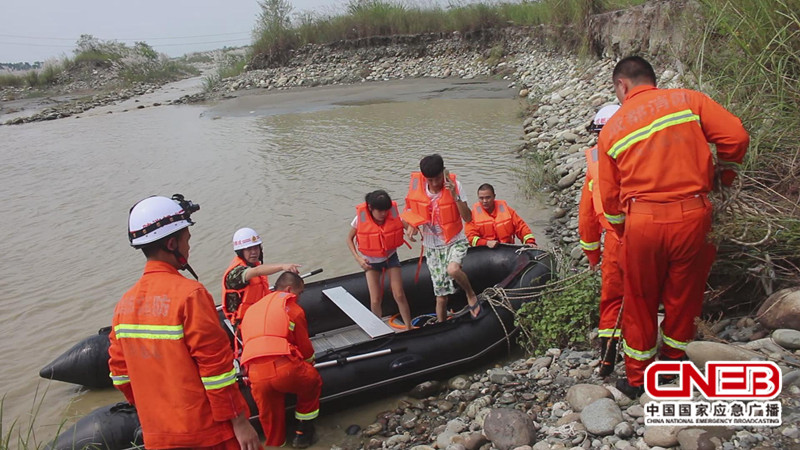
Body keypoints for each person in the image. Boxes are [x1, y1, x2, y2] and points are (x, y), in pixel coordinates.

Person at [596, 56, 749, 398]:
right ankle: (673, 366)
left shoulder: (612, 129)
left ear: (622, 85)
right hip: (694, 215)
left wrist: (622, 232)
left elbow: (609, 198)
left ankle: (637, 379)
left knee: (639, 300)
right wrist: (723, 175)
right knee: (684, 296)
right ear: (651, 79)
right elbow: (736, 137)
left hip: (643, 221)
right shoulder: (688, 100)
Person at [109, 194, 261, 450]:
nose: (189, 247)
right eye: (186, 240)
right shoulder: (190, 295)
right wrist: (240, 422)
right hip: (208, 433)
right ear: (172, 244)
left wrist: (153, 412)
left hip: (158, 435)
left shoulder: (124, 304)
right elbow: (217, 370)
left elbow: (120, 374)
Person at [240, 272, 322, 449]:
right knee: (312, 381)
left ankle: (277, 444)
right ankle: (303, 433)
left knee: (269, 414)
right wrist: (308, 363)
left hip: (255, 373)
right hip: (283, 369)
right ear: (290, 290)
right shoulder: (293, 309)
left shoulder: (252, 310)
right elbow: (305, 348)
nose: (298, 298)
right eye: (299, 293)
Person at [402, 153, 480, 322]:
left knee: (453, 269)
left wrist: (455, 196)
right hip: (432, 246)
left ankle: (470, 293)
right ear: (424, 178)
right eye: (430, 180)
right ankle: (441, 326)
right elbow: (407, 216)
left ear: (444, 173)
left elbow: (467, 218)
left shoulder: (455, 185)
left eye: (438, 178)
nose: (435, 183)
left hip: (455, 240)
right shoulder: (418, 189)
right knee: (441, 298)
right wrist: (410, 227)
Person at [577, 104, 623, 377]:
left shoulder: (596, 164)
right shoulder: (643, 152)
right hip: (651, 233)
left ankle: (607, 361)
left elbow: (587, 219)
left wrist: (593, 256)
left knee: (612, 300)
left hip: (617, 241)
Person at [347, 190, 413, 330]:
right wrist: (358, 259)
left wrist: (410, 231)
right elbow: (349, 239)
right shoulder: (360, 219)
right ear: (371, 208)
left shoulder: (392, 214)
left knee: (399, 293)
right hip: (371, 263)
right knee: (375, 299)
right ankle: (378, 330)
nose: (384, 214)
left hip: (390, 258)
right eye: (380, 211)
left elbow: (409, 226)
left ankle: (409, 327)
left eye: (386, 210)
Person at [222, 227, 301, 327]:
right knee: (284, 327)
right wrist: (282, 266)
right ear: (241, 252)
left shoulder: (255, 265)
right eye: (249, 249)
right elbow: (256, 271)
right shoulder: (235, 274)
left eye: (256, 247)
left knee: (291, 324)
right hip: (245, 322)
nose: (254, 252)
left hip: (260, 313)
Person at [464, 183, 537, 248]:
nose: (485, 201)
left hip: (506, 249)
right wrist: (486, 243)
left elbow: (521, 227)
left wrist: (530, 242)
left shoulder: (508, 211)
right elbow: (471, 238)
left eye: (488, 197)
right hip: (485, 251)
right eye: (481, 198)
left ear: (494, 196)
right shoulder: (472, 215)